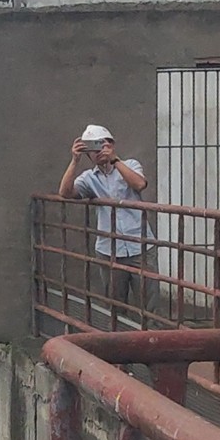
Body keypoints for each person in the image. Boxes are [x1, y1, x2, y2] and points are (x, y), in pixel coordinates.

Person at [57, 123, 148, 327]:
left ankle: (154, 342)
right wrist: (74, 161)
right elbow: (65, 193)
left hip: (140, 245)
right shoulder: (89, 178)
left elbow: (139, 184)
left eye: (102, 145)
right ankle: (119, 343)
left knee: (149, 305)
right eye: (92, 148)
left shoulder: (130, 165)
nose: (98, 152)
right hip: (109, 249)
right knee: (115, 306)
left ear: (111, 145)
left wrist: (115, 160)